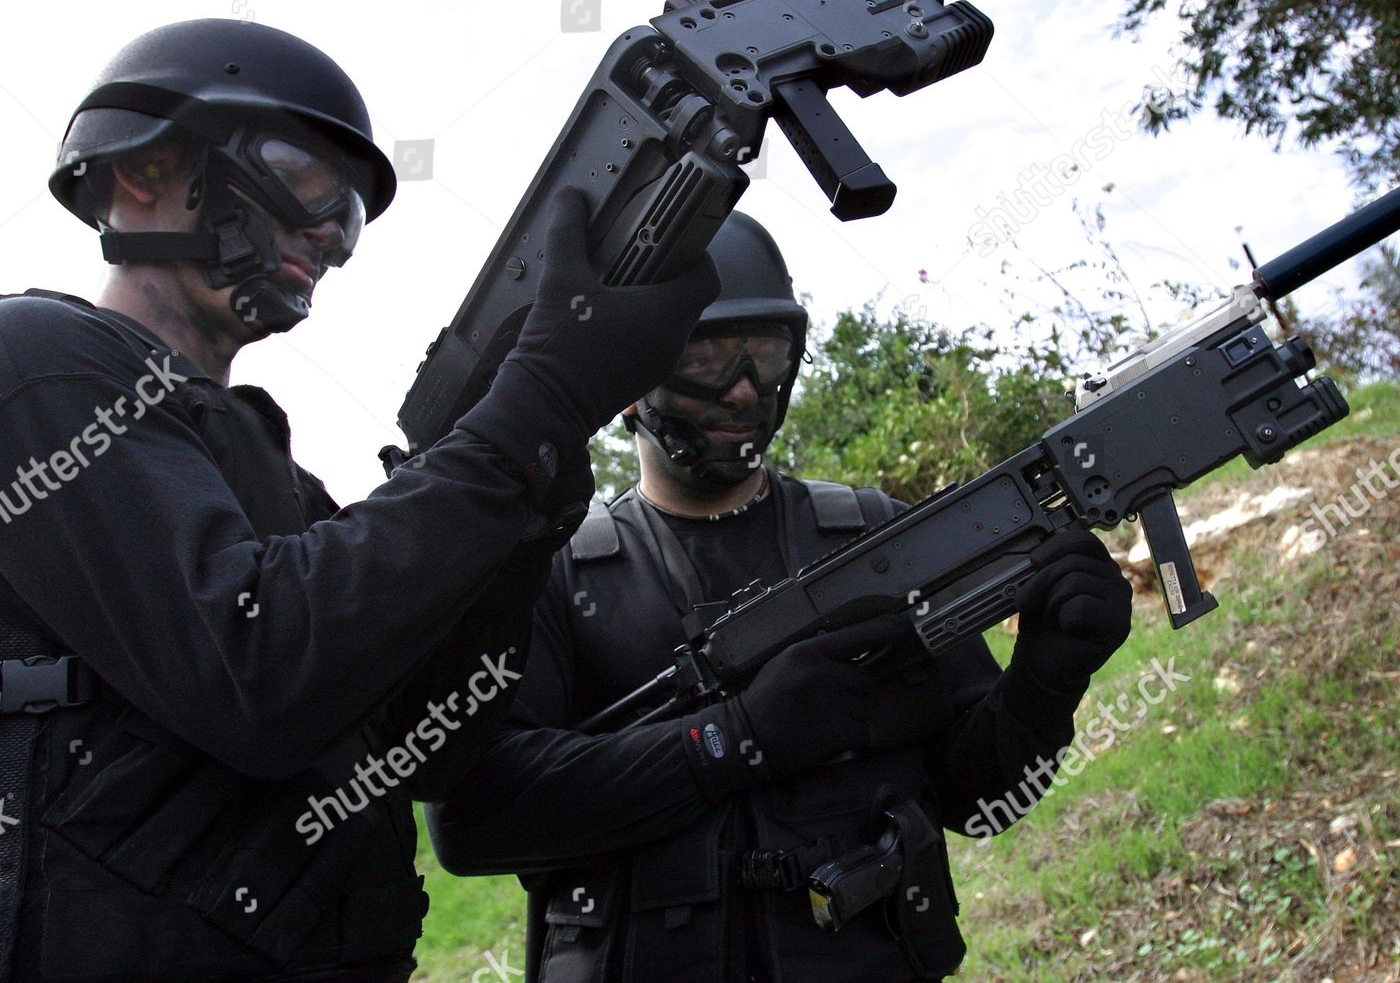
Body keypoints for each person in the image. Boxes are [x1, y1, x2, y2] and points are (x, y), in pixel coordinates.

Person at [0, 19, 716, 982]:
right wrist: (533, 407)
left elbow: (419, 745)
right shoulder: (38, 362)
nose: (330, 238)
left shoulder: (269, 468)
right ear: (142, 171)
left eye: (350, 215)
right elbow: (259, 677)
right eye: (304, 181)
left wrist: (522, 524)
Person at [427, 213, 1135, 982]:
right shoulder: (554, 576)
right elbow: (472, 822)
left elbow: (979, 797)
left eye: (763, 355)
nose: (742, 389)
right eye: (702, 357)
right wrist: (735, 737)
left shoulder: (878, 538)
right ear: (627, 384)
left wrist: (1047, 676)